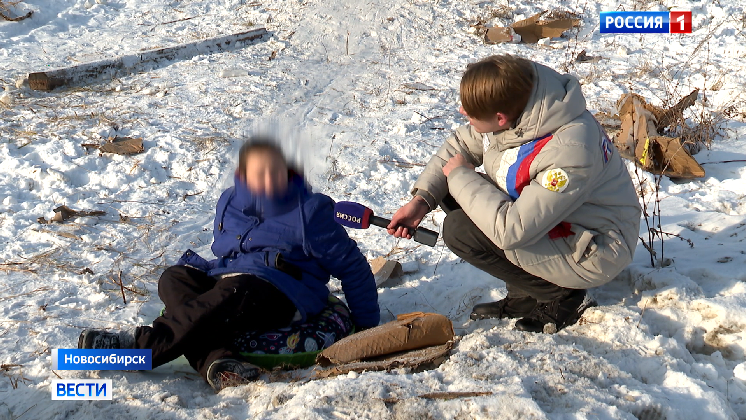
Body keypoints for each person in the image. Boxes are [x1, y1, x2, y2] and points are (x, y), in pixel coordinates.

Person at [79, 139, 380, 391]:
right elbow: (226, 252)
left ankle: (135, 348)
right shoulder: (230, 202)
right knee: (174, 277)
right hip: (231, 282)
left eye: (274, 172)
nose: (267, 180)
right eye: (257, 173)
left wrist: (366, 326)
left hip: (283, 293)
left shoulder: (310, 213)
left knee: (235, 291)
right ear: (243, 174)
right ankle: (216, 362)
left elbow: (353, 267)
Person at [388, 55, 641, 333]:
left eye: (471, 114)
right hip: (560, 220)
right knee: (451, 187)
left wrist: (461, 176)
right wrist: (421, 200)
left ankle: (561, 295)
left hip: (595, 247)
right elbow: (462, 144)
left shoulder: (570, 151)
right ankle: (525, 294)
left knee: (459, 227)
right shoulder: (522, 104)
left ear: (500, 118)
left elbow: (513, 230)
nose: (462, 112)